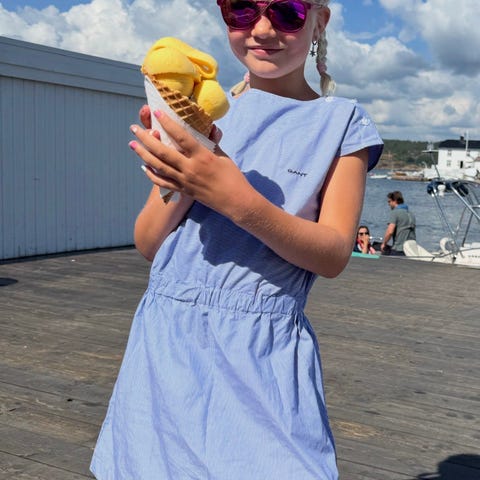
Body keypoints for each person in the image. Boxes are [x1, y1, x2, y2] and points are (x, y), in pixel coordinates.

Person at [90, 1, 383, 479]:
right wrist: (181, 179)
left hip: (260, 356)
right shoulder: (206, 113)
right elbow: (148, 241)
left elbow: (332, 254)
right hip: (164, 346)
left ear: (319, 21)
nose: (262, 29)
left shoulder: (343, 124)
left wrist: (233, 198)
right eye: (242, 10)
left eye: (287, 12)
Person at [381, 190, 416, 255]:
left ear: (395, 201)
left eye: (389, 201)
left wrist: (384, 243)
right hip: (411, 249)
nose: (388, 204)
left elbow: (390, 231)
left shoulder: (395, 213)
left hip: (398, 249)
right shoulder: (411, 214)